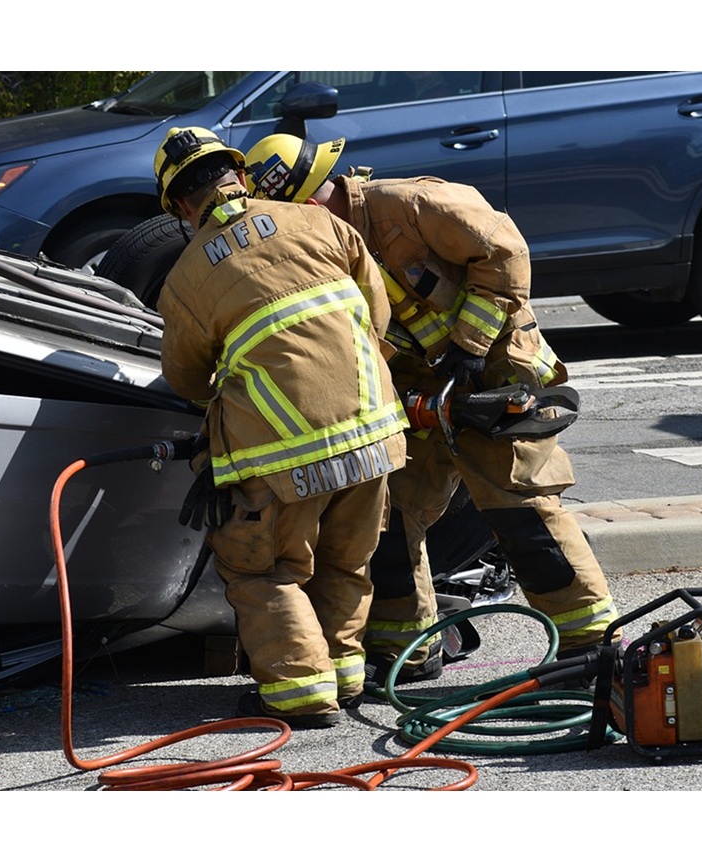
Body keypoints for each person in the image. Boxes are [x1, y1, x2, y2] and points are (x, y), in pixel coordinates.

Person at [243, 134, 621, 687]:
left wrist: (469, 348)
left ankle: (590, 646)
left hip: (493, 370)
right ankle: (408, 648)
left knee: (517, 506)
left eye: (308, 204)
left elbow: (505, 251)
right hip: (423, 393)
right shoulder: (322, 249)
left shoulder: (408, 205)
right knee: (389, 512)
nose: (305, 219)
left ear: (321, 191)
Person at [154, 127, 409, 728]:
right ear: (237, 176)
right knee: (347, 562)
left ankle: (301, 693)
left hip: (280, 456)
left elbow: (187, 379)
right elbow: (379, 314)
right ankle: (346, 678)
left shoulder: (186, 277)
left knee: (264, 569)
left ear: (182, 208)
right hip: (375, 434)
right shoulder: (317, 222)